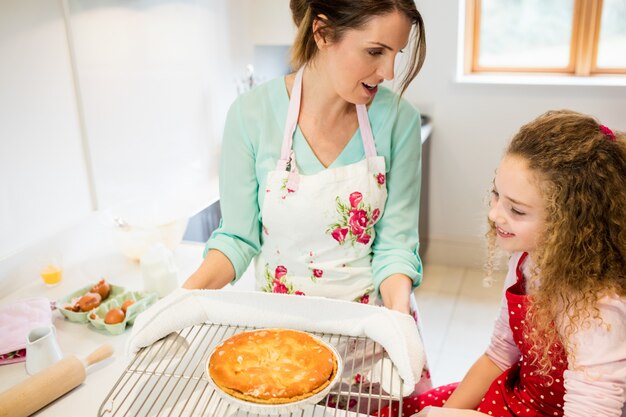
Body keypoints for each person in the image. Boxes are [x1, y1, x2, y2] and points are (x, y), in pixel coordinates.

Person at [184, 1, 427, 318]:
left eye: (397, 54)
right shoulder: (251, 114)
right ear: (323, 33)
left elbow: (395, 247)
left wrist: (397, 316)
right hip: (281, 334)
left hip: (368, 331)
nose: (389, 72)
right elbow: (237, 239)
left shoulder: (399, 120)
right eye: (375, 52)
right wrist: (180, 301)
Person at [378, 110, 626, 417]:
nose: (495, 214)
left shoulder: (598, 305)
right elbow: (498, 356)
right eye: (497, 194)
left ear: (571, 222)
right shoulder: (527, 259)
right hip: (516, 397)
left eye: (517, 210)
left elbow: (592, 409)